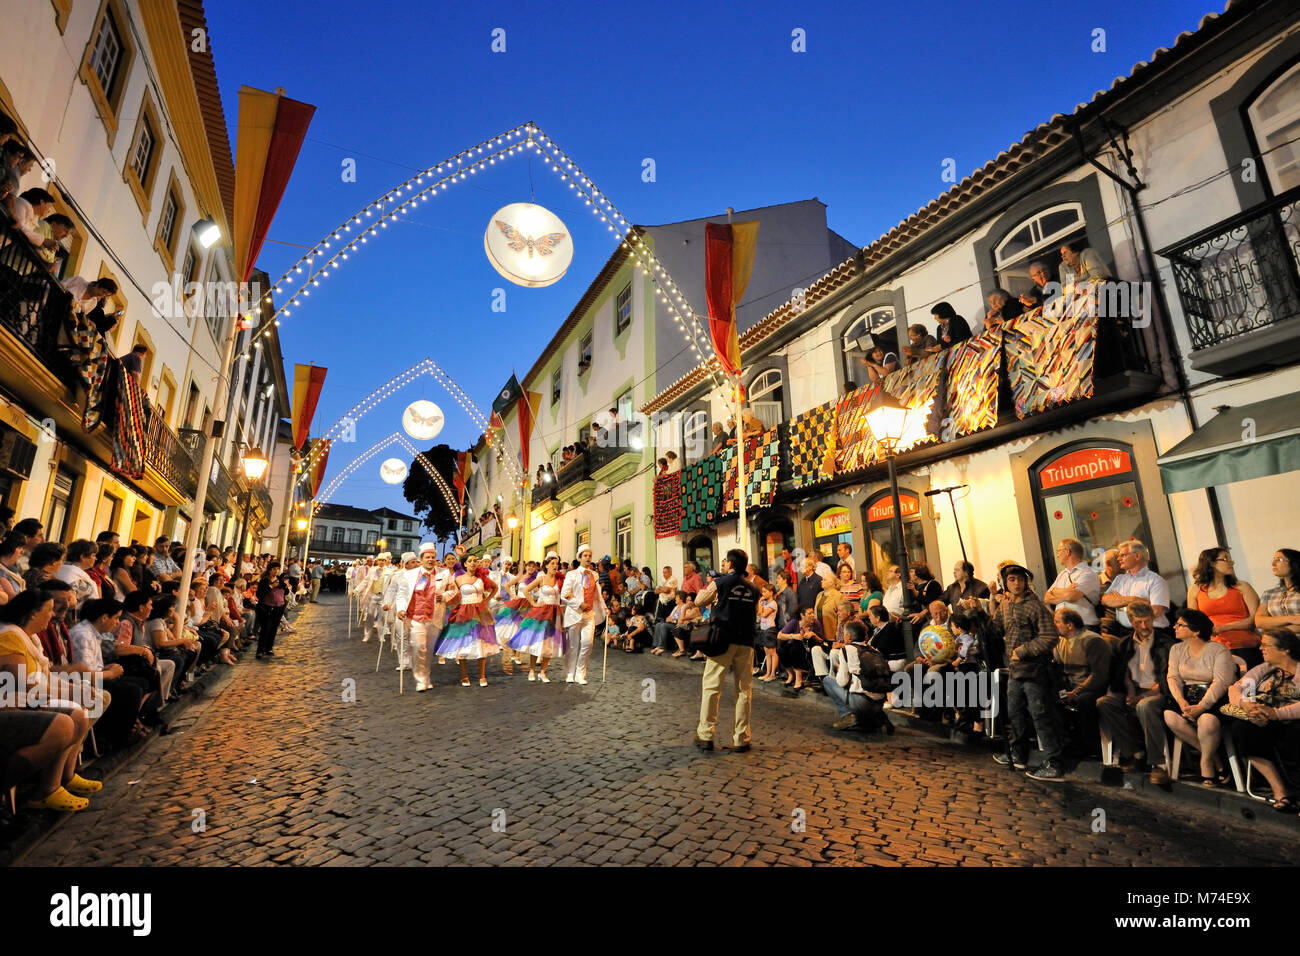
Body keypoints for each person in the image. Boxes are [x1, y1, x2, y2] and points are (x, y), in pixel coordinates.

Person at [992, 563, 1065, 781]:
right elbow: (996, 629)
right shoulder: (1005, 606)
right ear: (1005, 583)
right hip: (1015, 671)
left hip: (1035, 670)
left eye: (1020, 579)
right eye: (1012, 580)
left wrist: (1024, 650)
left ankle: (1054, 762)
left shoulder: (1036, 606)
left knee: (1040, 715)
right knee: (1014, 712)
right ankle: (1018, 753)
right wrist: (978, 613)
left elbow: (1050, 636)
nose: (1016, 584)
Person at [1218, 629, 1300, 812]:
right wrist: (1247, 705)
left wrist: (1276, 714)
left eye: (1266, 645)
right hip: (1263, 716)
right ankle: (1280, 791)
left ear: (1285, 649)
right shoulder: (1265, 668)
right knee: (1243, 729)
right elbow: (1236, 689)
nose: (1261, 648)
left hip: (1291, 718)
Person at [1096, 600, 1177, 783]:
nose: (1144, 626)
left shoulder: (1166, 644)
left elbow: (1166, 679)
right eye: (1139, 622)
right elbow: (1121, 673)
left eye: (1147, 621)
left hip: (1158, 691)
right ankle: (1135, 753)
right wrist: (1130, 693)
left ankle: (1158, 764)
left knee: (1145, 706)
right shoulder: (1124, 644)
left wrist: (1142, 696)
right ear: (1131, 622)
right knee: (1105, 703)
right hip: (1134, 689)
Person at [694, 548, 760, 752]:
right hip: (746, 641)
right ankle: (742, 739)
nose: (723, 564)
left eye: (725, 561)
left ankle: (706, 735)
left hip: (722, 639)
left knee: (712, 686)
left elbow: (699, 601)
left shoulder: (720, 582)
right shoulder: (754, 589)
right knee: (744, 690)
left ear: (730, 564)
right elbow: (754, 613)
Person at [1162, 608, 1237, 787]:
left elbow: (1221, 682)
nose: (1175, 627)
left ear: (1196, 631)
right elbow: (1172, 677)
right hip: (1187, 698)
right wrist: (1181, 701)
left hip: (1213, 697)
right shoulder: (1176, 649)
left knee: (1207, 721)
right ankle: (1215, 759)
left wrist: (1202, 706)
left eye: (1180, 625)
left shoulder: (1218, 650)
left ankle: (1205, 764)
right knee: (1169, 716)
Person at [1186, 547, 1260, 668]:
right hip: (1211, 646)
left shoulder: (1242, 587)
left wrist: (1224, 628)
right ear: (1211, 563)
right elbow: (1194, 621)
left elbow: (1255, 619)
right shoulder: (1195, 589)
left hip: (1243, 644)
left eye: (1230, 559)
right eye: (1226, 559)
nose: (1231, 563)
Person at [1052, 607, 1111, 759]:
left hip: (1094, 688)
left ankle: (1090, 747)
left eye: (1057, 622)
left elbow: (1098, 674)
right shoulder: (1060, 642)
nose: (1054, 625)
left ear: (1070, 625)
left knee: (1084, 701)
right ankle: (1065, 742)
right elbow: (1059, 670)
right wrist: (1061, 691)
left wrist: (1077, 692)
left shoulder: (1092, 641)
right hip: (1072, 687)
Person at [437, 553, 500, 687]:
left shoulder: (482, 578)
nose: (473, 563)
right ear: (465, 564)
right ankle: (464, 676)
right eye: (470, 561)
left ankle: (482, 675)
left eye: (475, 561)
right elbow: (453, 594)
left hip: (480, 612)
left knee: (481, 642)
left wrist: (486, 601)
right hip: (464, 612)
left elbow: (495, 588)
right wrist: (442, 600)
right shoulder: (458, 579)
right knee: (462, 643)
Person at [393, 544, 446, 692]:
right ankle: (420, 679)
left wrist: (445, 596)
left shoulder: (444, 574)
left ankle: (426, 676)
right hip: (416, 617)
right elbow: (402, 594)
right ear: (421, 560)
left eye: (433, 557)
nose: (430, 560)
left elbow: (453, 590)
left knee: (428, 650)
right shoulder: (409, 575)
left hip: (434, 617)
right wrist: (401, 609)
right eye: (427, 557)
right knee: (418, 647)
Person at [559, 545, 605, 685]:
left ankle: (580, 673)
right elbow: (564, 595)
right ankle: (569, 673)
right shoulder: (572, 574)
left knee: (588, 643)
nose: (588, 558)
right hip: (574, 614)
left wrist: (604, 608)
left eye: (590, 556)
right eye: (585, 556)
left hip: (589, 614)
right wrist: (579, 604)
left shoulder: (594, 575)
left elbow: (597, 595)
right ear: (580, 558)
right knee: (572, 646)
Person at [1101, 541, 1170, 631]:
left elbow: (1156, 611)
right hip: (1125, 632)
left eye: (1123, 555)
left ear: (1137, 556)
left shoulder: (1156, 580)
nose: (1118, 559)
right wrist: (1134, 600)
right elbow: (1105, 600)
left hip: (1151, 631)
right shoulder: (1119, 579)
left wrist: (1120, 601)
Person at [1042, 538, 1102, 627]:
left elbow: (1071, 596)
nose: (1057, 555)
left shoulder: (1088, 573)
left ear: (1067, 552)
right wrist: (1066, 591)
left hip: (1083, 626)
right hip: (1062, 627)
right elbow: (1047, 597)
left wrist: (1054, 591)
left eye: (1058, 551)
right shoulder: (1062, 574)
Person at [777, 605, 822, 693]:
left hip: (810, 649)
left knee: (795, 648)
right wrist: (794, 636)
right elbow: (779, 635)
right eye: (810, 613)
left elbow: (821, 640)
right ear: (802, 615)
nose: (813, 615)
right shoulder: (794, 622)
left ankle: (799, 679)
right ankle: (791, 675)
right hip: (796, 648)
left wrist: (813, 635)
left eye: (813, 613)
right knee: (781, 649)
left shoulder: (815, 623)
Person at [1255, 548, 1300, 635]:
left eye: (1279, 559)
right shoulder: (1269, 593)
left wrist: (1273, 627)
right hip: (1280, 644)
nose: (1273, 564)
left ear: (1294, 564)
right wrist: (1292, 619)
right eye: (1274, 559)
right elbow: (1259, 621)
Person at [255, 566, 288, 660]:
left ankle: (269, 648)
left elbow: (286, 592)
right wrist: (271, 586)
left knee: (273, 629)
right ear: (269, 570)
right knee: (265, 629)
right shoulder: (265, 580)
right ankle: (260, 650)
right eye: (274, 569)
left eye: (277, 569)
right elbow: (260, 594)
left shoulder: (280, 580)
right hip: (266, 608)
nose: (276, 571)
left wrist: (284, 585)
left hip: (279, 607)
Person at [755, 582, 780, 681]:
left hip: (770, 629)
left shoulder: (773, 603)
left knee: (772, 652)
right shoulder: (764, 602)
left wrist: (761, 605)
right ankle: (768, 673)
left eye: (765, 592)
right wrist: (760, 601)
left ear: (771, 592)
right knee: (767, 652)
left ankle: (773, 673)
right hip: (763, 628)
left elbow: (764, 614)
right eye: (762, 592)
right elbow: (759, 612)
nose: (763, 594)